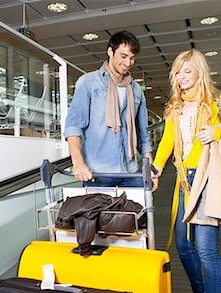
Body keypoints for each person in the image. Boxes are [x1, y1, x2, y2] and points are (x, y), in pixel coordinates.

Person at [153, 49, 221, 293]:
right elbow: (168, 140)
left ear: (200, 71)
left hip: (209, 179)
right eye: (177, 72)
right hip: (184, 181)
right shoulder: (175, 105)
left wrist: (216, 132)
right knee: (183, 245)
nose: (181, 76)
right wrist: (157, 167)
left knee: (207, 250)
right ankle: (200, 291)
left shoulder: (217, 99)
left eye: (187, 71)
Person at [64, 30, 157, 189]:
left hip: (131, 171)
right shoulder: (89, 83)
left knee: (136, 214)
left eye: (132, 58)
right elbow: (74, 126)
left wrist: (151, 170)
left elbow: (142, 134)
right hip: (98, 173)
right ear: (110, 52)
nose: (128, 63)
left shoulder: (135, 90)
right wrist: (78, 163)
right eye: (123, 56)